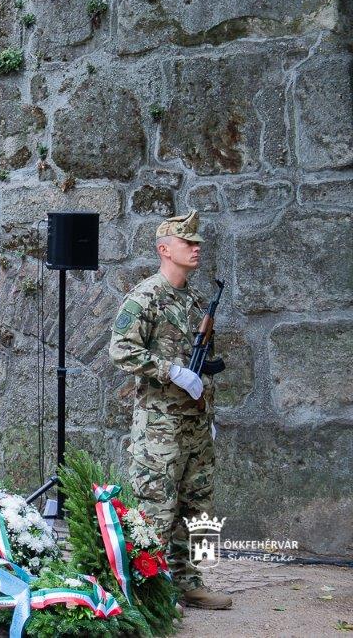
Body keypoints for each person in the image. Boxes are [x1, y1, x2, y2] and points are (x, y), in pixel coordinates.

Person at [109, 210, 232, 610]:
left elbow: (204, 363)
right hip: (160, 424)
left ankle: (188, 580)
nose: (196, 249)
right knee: (156, 508)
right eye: (187, 243)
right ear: (165, 249)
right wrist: (171, 371)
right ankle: (152, 588)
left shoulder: (195, 299)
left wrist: (206, 414)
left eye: (198, 243)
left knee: (197, 507)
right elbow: (121, 349)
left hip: (196, 421)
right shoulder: (146, 296)